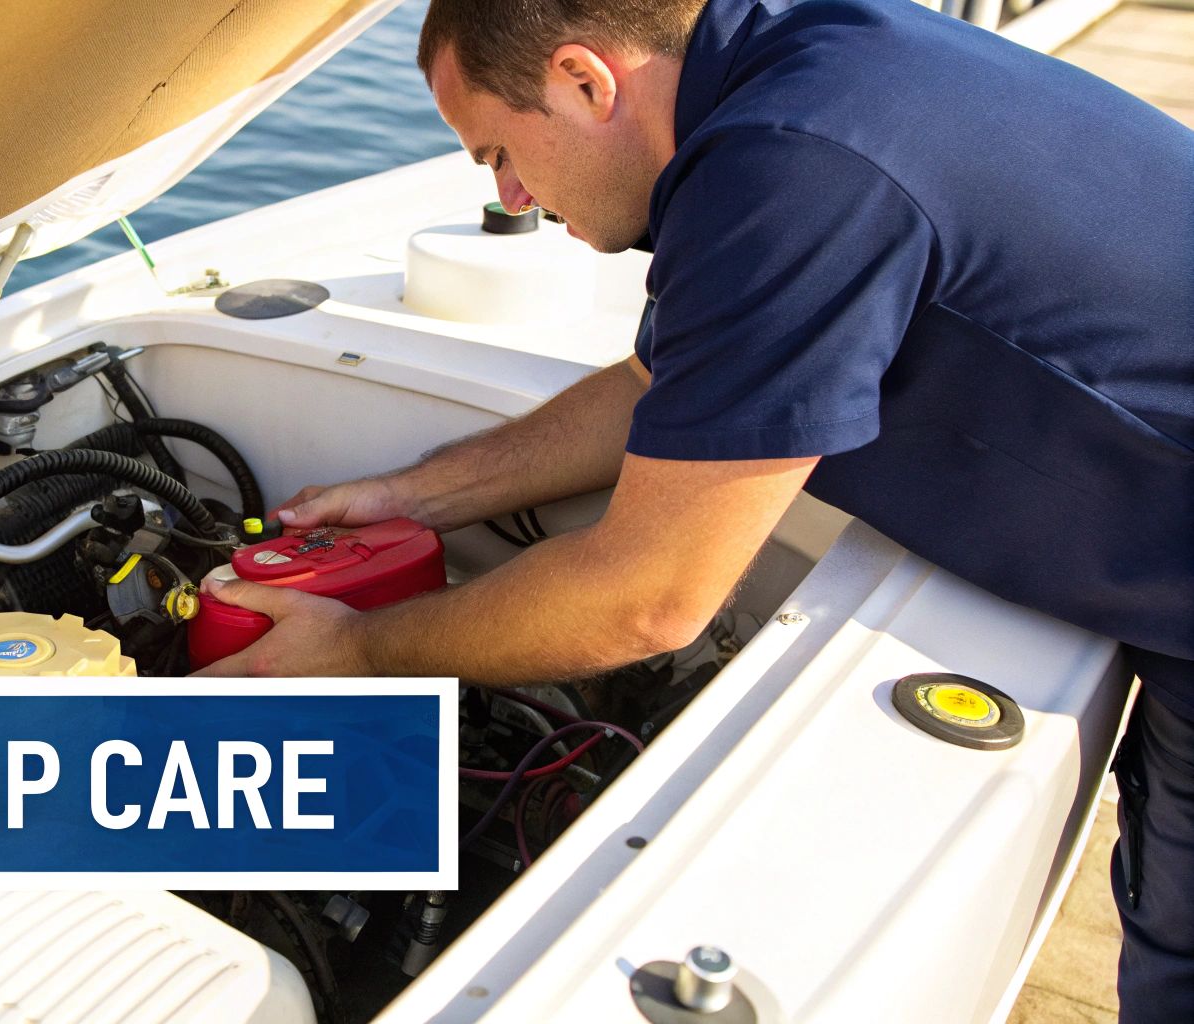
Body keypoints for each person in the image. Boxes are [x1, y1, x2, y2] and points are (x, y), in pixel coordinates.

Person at [193, 0, 1194, 1018]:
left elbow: (647, 598)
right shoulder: (792, 67)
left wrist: (354, 653)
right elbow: (659, 381)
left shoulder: (791, 164)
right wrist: (414, 493)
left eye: (497, 152)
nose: (511, 197)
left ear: (586, 81)